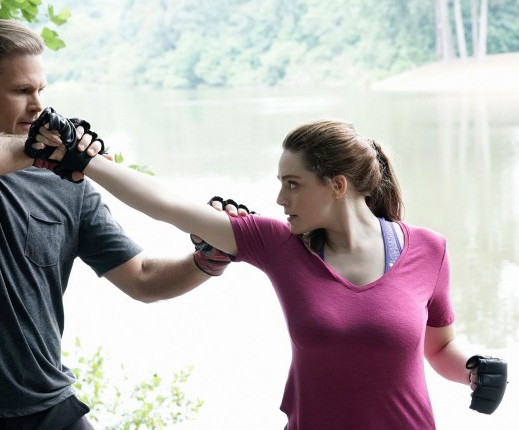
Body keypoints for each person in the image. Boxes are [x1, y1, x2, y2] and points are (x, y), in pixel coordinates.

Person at [31, 115, 508, 429]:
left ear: (337, 186)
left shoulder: (429, 250)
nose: (280, 199)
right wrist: (84, 161)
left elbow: (438, 347)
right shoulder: (277, 243)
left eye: (293, 184)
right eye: (280, 183)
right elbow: (169, 205)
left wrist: (473, 367)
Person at [0, 19, 242, 430]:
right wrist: (41, 149)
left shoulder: (68, 186)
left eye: (41, 90)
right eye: (22, 91)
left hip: (49, 409)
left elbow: (144, 279)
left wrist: (208, 259)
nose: (38, 105)